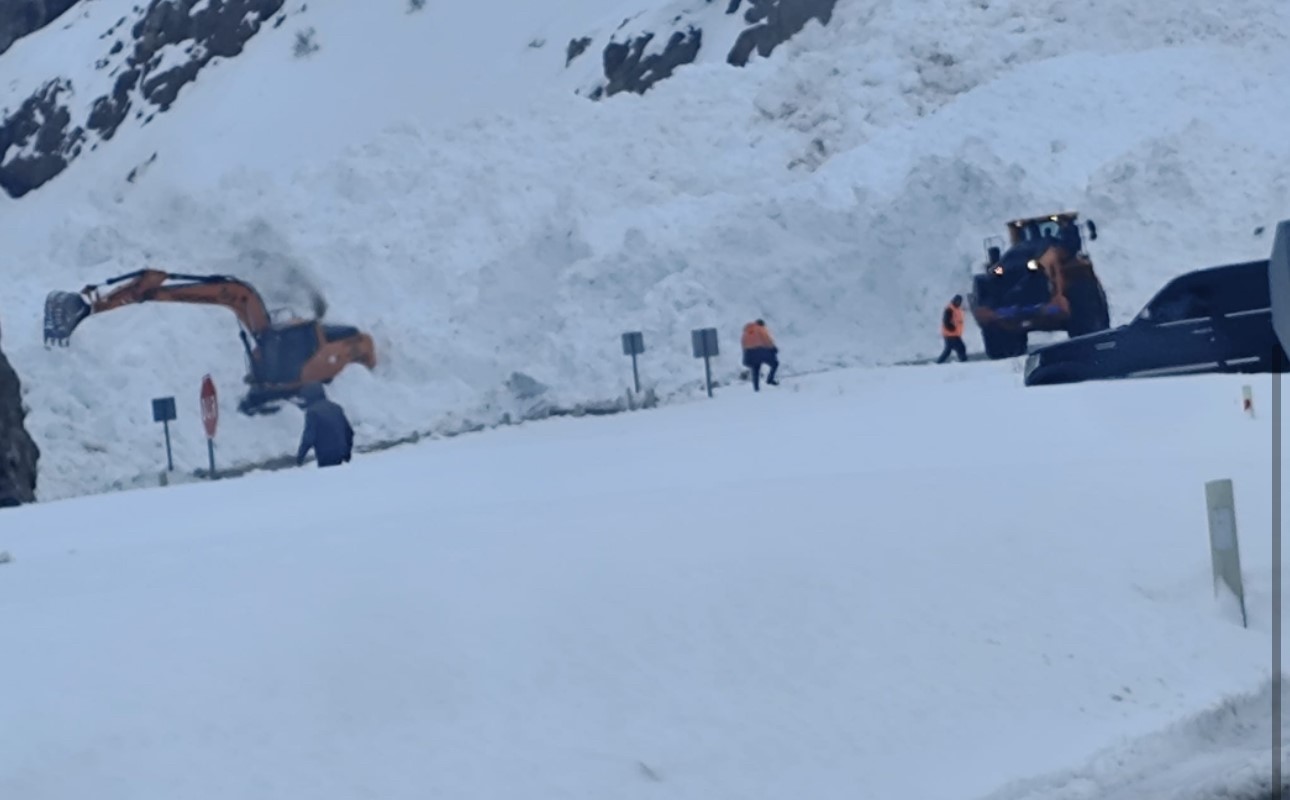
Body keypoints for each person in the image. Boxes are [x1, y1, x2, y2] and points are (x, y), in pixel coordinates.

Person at [295, 382, 354, 468]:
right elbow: (349, 432)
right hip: (340, 452)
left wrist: (300, 457)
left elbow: (309, 437)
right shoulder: (336, 408)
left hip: (325, 455)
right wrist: (347, 452)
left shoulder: (312, 412)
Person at [741, 318, 779, 391]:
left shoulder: (746, 331)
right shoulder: (760, 329)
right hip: (759, 351)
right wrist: (773, 348)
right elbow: (767, 340)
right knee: (775, 363)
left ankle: (756, 388)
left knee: (755, 368)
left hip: (749, 353)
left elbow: (743, 344)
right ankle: (770, 379)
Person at [937, 295, 968, 363]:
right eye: (957, 301)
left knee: (948, 350)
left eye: (959, 301)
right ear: (954, 300)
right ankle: (964, 362)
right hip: (951, 334)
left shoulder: (957, 309)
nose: (958, 302)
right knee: (961, 348)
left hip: (954, 334)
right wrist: (951, 328)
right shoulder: (949, 309)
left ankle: (938, 363)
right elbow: (946, 320)